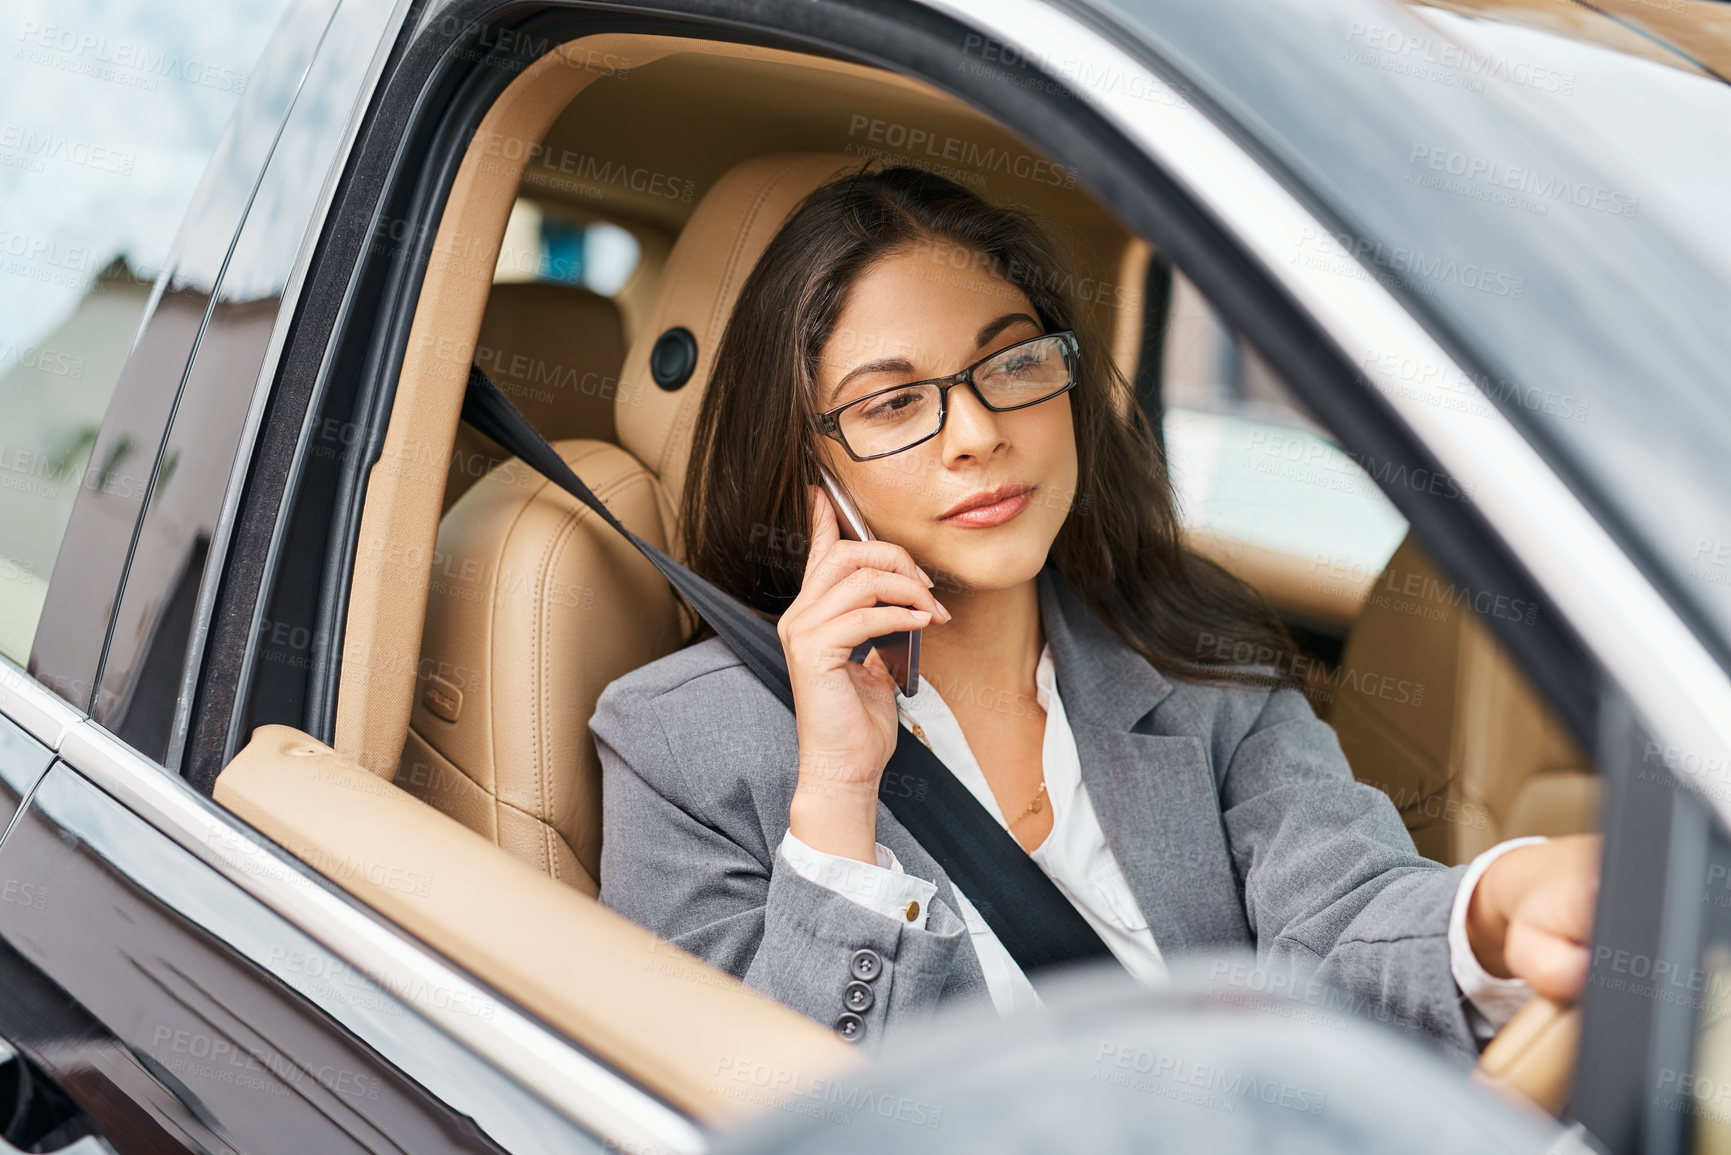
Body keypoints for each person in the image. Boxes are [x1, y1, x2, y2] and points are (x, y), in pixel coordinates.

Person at [589, 162, 1598, 1056]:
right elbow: (735, 1104)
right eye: (893, 403)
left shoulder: (1197, 662)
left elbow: (1341, 914)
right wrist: (839, 801)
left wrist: (1499, 911)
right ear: (810, 461)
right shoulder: (679, 742)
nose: (978, 432)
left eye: (1012, 362)